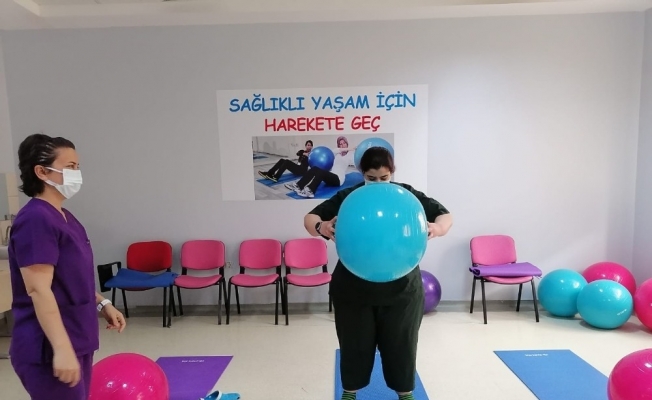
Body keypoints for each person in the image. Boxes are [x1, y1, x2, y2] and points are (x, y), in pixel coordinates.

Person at [303, 147, 453, 400]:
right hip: (353, 288)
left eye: (384, 177)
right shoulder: (349, 196)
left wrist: (437, 228)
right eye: (371, 178)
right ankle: (350, 393)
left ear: (392, 173)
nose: (378, 183)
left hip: (401, 288)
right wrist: (322, 226)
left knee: (402, 345)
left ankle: (405, 394)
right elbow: (310, 218)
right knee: (354, 344)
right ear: (363, 174)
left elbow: (445, 216)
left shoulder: (406, 195)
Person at [7, 133, 126, 400]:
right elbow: (39, 289)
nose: (77, 173)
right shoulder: (36, 219)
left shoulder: (65, 217)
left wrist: (102, 304)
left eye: (78, 167)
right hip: (47, 347)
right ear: (41, 171)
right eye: (70, 167)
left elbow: (70, 279)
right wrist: (61, 348)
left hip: (77, 336)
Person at [286, 136, 354, 198]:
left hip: (338, 179)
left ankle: (310, 191)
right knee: (315, 168)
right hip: (331, 176)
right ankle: (298, 185)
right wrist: (349, 148)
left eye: (344, 143)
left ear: (347, 143)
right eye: (340, 144)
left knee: (320, 172)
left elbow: (356, 162)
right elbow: (334, 150)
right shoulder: (337, 154)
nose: (343, 145)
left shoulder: (350, 155)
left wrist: (352, 149)